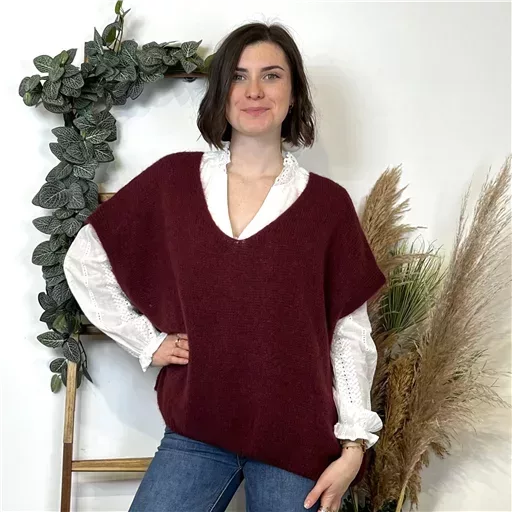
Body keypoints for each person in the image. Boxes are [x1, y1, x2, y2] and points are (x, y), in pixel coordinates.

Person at [63, 21, 386, 512]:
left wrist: (353, 448)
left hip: (297, 440)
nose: (254, 91)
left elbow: (349, 333)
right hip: (198, 430)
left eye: (271, 75)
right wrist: (147, 342)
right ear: (221, 92)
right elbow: (86, 258)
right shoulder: (173, 182)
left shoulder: (328, 206)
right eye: (238, 76)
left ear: (294, 93)